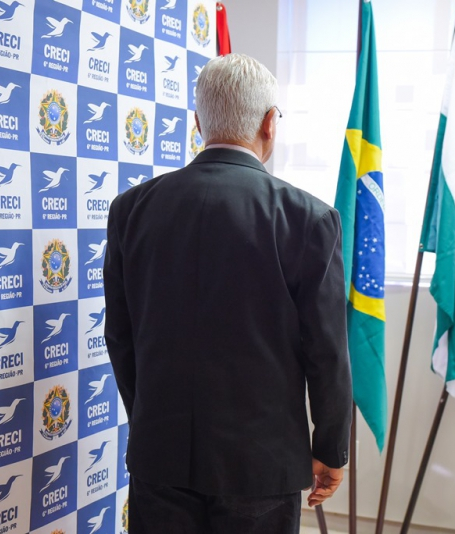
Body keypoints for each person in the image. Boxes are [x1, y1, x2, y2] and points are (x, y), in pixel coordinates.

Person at [104, 53, 353, 533]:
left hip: (159, 454)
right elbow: (326, 352)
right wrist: (330, 448)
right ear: (269, 123)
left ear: (199, 124)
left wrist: (151, 419)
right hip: (261, 466)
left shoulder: (130, 209)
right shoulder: (309, 218)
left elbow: (121, 336)